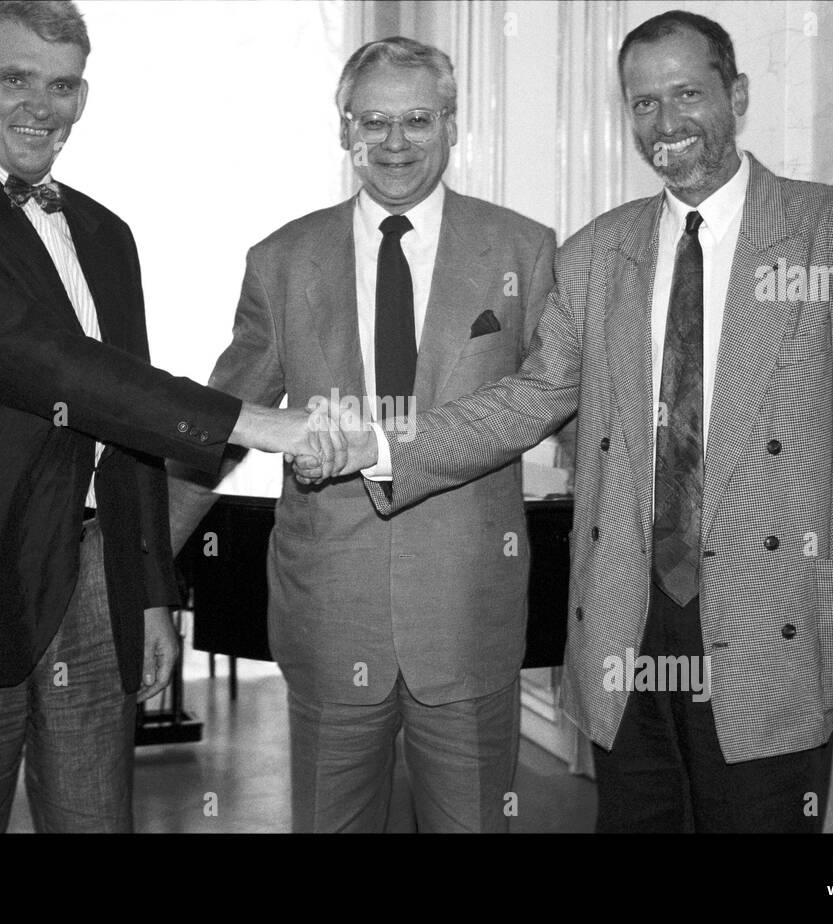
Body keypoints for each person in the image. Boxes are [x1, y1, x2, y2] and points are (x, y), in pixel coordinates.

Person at [301, 11, 833, 833]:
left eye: (686, 94)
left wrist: (830, 558)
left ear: (735, 95)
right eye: (642, 104)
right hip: (625, 622)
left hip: (774, 622)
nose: (665, 124)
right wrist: (380, 444)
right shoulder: (599, 254)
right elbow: (529, 398)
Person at [0, 0, 328, 833]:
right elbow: (31, 355)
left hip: (92, 586)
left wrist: (148, 593)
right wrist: (248, 422)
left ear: (84, 96)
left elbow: (123, 425)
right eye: (15, 79)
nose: (42, 105)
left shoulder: (108, 235)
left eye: (63, 85)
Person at [168, 36, 556, 833]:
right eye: (371, 121)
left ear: (452, 123)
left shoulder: (523, 251)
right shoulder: (281, 260)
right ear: (342, 128)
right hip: (327, 619)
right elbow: (220, 423)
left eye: (417, 119)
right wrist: (144, 569)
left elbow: (558, 405)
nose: (394, 143)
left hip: (468, 619)